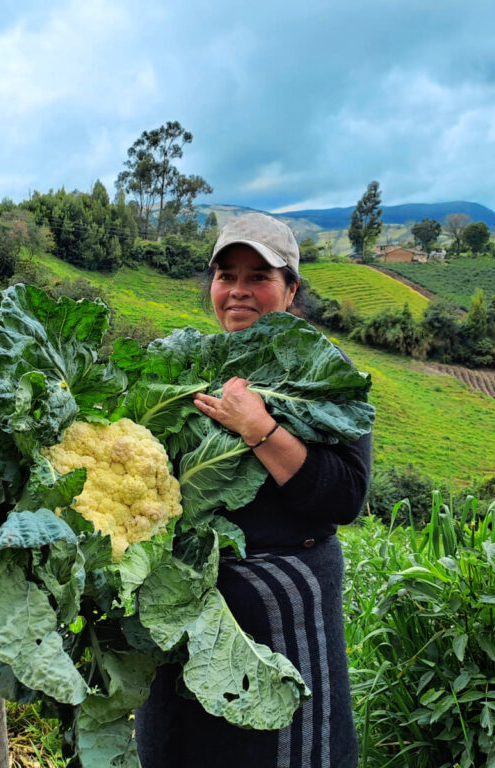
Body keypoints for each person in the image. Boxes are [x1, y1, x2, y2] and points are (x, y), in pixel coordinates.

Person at [135, 212, 372, 768]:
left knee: (284, 748)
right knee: (175, 746)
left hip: (281, 608)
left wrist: (260, 428)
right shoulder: (187, 362)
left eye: (259, 277)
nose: (239, 291)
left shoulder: (323, 370)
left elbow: (346, 499)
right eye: (226, 274)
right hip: (183, 602)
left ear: (291, 291)